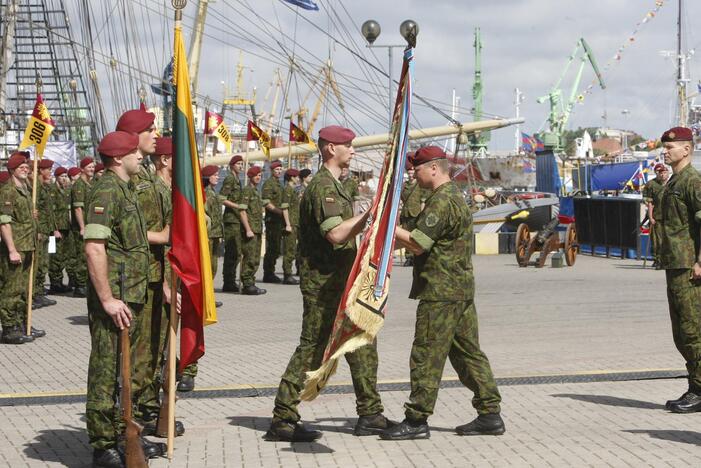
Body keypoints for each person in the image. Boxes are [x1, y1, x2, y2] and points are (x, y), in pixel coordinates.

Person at [264, 125, 391, 442]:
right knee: (314, 348)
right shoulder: (323, 187)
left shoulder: (339, 184)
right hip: (323, 284)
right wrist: (369, 215)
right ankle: (283, 417)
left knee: (360, 342)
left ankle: (371, 413)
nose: (353, 150)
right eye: (348, 145)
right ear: (330, 148)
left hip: (342, 281)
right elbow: (335, 233)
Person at [381, 146, 504, 440]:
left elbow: (418, 243)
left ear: (434, 168)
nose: (414, 173)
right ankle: (490, 414)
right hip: (458, 289)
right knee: (467, 353)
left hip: (440, 291)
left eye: (418, 169)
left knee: (426, 353)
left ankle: (416, 420)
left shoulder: (441, 201)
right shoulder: (453, 197)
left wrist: (383, 226)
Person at [84, 131, 162, 467]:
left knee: (124, 371)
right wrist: (106, 299)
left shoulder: (125, 188)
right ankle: (103, 446)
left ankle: (122, 435)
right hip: (116, 297)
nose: (140, 156)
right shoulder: (105, 190)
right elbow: (94, 246)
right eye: (134, 152)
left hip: (131, 293)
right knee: (106, 368)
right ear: (118, 158)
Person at [116, 108, 178, 431]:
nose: (156, 134)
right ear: (134, 137)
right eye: (150, 130)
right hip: (138, 280)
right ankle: (135, 417)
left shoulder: (150, 181)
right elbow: (129, 234)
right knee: (137, 353)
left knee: (153, 349)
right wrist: (162, 237)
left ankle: (148, 409)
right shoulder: (130, 184)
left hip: (156, 276)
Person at [655, 127, 701, 414]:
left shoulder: (693, 182)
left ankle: (699, 389)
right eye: (665, 147)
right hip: (675, 264)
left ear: (687, 149)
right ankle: (695, 384)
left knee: (692, 330)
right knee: (681, 332)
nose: (666, 151)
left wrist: (700, 261)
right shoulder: (674, 181)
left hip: (689, 267)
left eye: (672, 147)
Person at [0, 152, 44, 344]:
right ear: (12, 170)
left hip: (29, 245)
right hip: (17, 246)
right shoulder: (8, 191)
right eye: (21, 167)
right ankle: (9, 327)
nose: (25, 169)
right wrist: (11, 249)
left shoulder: (25, 188)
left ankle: (22, 323)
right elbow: (4, 222)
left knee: (26, 288)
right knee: (12, 288)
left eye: (27, 166)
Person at [32, 158, 58, 308]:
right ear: (41, 170)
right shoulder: (37, 186)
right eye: (48, 169)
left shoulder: (45, 186)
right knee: (40, 263)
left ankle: (40, 292)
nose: (50, 172)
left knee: (44, 262)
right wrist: (38, 229)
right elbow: (36, 210)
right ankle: (36, 294)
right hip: (40, 230)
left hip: (47, 229)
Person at [238, 166, 267, 295]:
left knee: (255, 258)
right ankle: (247, 284)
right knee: (249, 257)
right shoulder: (247, 191)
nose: (258, 178)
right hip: (250, 230)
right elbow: (242, 211)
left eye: (260, 175)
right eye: (256, 175)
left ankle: (251, 282)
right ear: (250, 176)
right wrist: (248, 229)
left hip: (257, 229)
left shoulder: (256, 191)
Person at [70, 156, 95, 297]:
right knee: (81, 255)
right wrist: (82, 227)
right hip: (83, 227)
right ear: (82, 169)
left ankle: (84, 283)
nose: (91, 169)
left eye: (92, 166)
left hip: (90, 225)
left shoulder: (89, 184)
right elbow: (78, 208)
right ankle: (79, 286)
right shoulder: (79, 185)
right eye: (89, 167)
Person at [220, 155, 245, 293]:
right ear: (232, 165)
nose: (241, 166)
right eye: (238, 164)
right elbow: (222, 198)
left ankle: (231, 280)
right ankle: (228, 282)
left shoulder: (237, 179)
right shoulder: (230, 178)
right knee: (231, 252)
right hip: (231, 219)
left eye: (242, 164)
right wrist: (237, 206)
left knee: (236, 252)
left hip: (236, 219)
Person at [48, 167, 73, 294]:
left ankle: (59, 281)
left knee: (62, 255)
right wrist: (54, 229)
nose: (64, 178)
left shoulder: (65, 190)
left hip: (65, 228)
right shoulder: (52, 191)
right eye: (62, 176)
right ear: (57, 177)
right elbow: (50, 213)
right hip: (54, 230)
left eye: (66, 176)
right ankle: (54, 283)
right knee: (53, 255)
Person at [399, 155, 426, 267]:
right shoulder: (404, 186)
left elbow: (423, 201)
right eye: (409, 173)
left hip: (416, 213)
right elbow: (401, 199)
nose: (410, 175)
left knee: (417, 235)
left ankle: (420, 255)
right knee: (406, 236)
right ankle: (409, 257)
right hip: (406, 213)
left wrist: (422, 214)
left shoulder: (420, 185)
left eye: (412, 173)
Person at [261, 160, 285, 283]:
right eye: (277, 169)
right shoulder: (269, 184)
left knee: (276, 248)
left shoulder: (279, 184)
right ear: (272, 170)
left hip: (278, 221)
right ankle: (268, 273)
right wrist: (279, 211)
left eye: (280, 169)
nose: (279, 171)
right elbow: (266, 202)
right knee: (272, 248)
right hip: (272, 220)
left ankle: (271, 271)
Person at [643, 163, 669, 268]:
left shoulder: (671, 184)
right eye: (660, 172)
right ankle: (657, 259)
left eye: (664, 172)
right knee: (657, 240)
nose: (662, 175)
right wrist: (650, 217)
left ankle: (665, 260)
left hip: (670, 217)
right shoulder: (651, 184)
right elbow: (649, 202)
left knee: (667, 240)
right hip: (657, 217)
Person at [280, 168, 300, 285]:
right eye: (296, 177)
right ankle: (287, 274)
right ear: (292, 177)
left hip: (294, 223)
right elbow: (285, 208)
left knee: (292, 249)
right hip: (290, 224)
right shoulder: (288, 190)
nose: (298, 179)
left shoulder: (292, 190)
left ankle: (289, 273)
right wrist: (287, 224)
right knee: (289, 250)